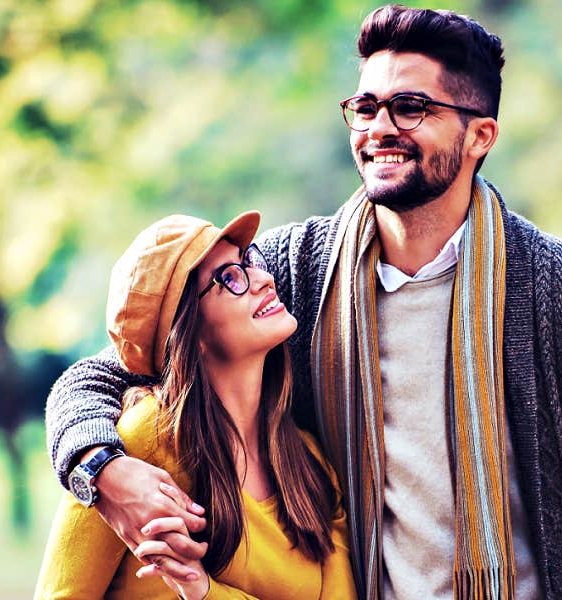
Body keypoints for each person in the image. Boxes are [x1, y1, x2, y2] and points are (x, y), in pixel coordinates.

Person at [45, 5, 562, 599]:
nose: (379, 128)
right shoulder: (296, 273)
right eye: (366, 106)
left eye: (412, 108)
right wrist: (101, 468)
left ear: (480, 135)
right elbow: (108, 374)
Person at [35, 212, 355, 599]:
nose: (265, 279)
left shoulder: (310, 464)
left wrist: (203, 591)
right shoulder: (137, 447)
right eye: (230, 278)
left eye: (249, 261)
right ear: (188, 333)